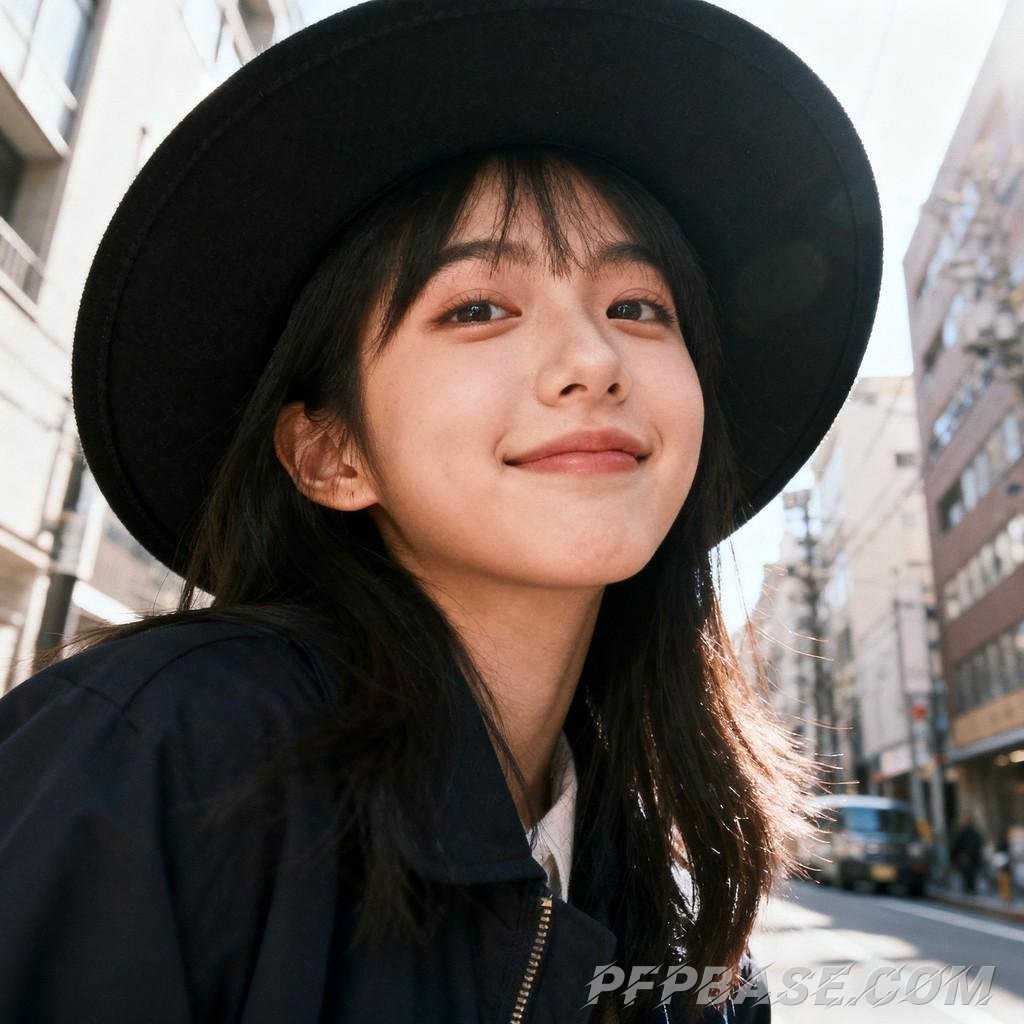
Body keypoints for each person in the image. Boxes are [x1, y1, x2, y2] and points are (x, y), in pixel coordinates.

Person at [0, 1, 882, 1021]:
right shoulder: (147, 758)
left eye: (638, 307)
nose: (593, 362)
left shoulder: (682, 928)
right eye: (477, 308)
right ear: (330, 454)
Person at [952, 816, 985, 896]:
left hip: (970, 858)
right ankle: (969, 890)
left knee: (970, 875)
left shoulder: (972, 833)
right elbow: (957, 845)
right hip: (967, 858)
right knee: (968, 875)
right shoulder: (964, 833)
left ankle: (970, 890)